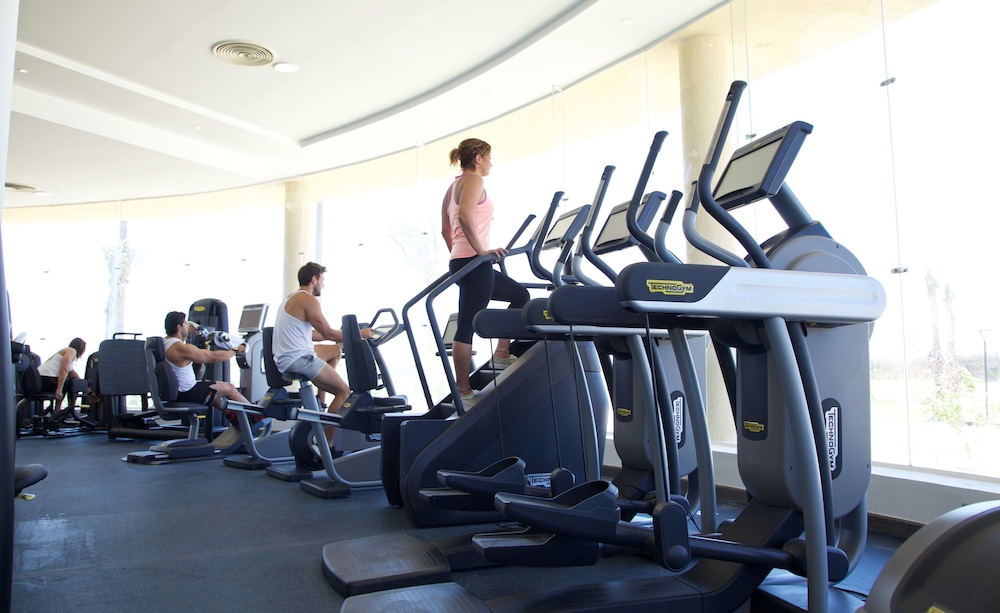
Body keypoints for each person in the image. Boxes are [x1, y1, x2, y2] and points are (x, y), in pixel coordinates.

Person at [440, 138, 530, 403]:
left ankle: (501, 353)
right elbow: (465, 216)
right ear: (478, 158)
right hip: (473, 261)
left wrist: (461, 254)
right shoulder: (474, 180)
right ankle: (464, 392)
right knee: (467, 324)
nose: (491, 163)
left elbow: (445, 230)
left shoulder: (452, 187)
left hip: (461, 261)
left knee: (520, 295)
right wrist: (480, 251)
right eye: (489, 157)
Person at [271, 262, 374, 442]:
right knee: (344, 391)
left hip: (287, 357)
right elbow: (327, 333)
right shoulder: (308, 300)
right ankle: (326, 444)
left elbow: (314, 335)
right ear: (314, 279)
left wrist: (341, 336)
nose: (323, 284)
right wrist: (359, 334)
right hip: (300, 359)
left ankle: (321, 398)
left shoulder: (291, 298)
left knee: (334, 351)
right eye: (322, 280)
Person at [162, 311, 251, 424]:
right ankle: (255, 415)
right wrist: (236, 350)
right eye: (185, 324)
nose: (188, 326)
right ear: (179, 327)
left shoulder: (164, 343)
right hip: (187, 393)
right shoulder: (180, 348)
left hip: (177, 392)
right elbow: (215, 357)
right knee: (230, 388)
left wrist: (201, 337)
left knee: (214, 394)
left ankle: (237, 420)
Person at [37, 337, 86, 411]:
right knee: (71, 381)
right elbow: (63, 370)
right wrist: (59, 390)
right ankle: (63, 410)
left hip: (40, 380)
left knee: (74, 381)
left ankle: (59, 410)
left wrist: (88, 389)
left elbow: (75, 375)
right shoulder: (71, 351)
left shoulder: (67, 353)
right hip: (45, 379)